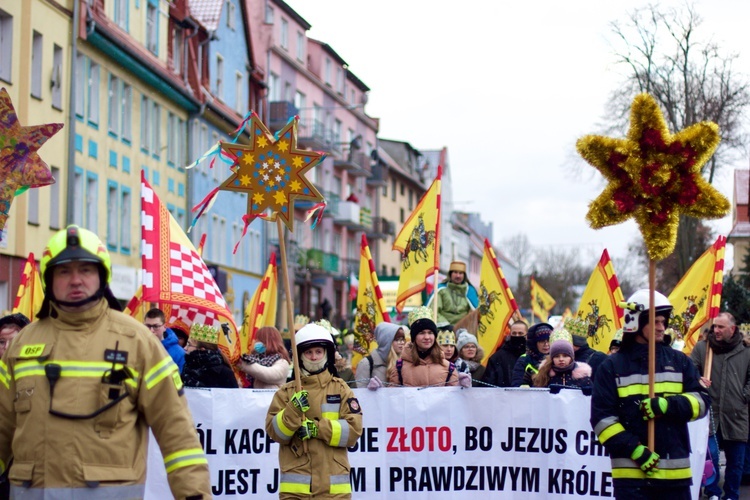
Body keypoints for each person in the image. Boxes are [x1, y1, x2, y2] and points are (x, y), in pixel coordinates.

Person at [0, 225, 210, 497]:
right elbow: (3, 427)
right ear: (48, 278)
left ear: (102, 275)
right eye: (64, 271)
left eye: (86, 270)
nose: (76, 280)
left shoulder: (138, 342)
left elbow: (177, 434)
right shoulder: (22, 344)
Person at [591, 289, 708, 499]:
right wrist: (635, 450)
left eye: (663, 322)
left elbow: (702, 402)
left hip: (675, 477)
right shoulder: (611, 366)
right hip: (631, 478)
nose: (661, 327)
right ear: (635, 322)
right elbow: (602, 420)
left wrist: (667, 406)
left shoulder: (679, 361)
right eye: (655, 322)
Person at [265, 323, 363, 498]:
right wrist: (292, 410)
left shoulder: (340, 390)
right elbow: (276, 433)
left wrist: (318, 429)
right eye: (309, 352)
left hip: (333, 492)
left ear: (326, 354)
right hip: (297, 492)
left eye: (318, 352)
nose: (314, 357)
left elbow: (354, 430)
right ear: (300, 356)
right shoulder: (286, 393)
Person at [690, 312, 750, 500]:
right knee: (711, 458)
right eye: (714, 326)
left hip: (736, 415)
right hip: (710, 414)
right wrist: (698, 380)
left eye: (721, 327)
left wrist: (743, 396)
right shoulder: (702, 348)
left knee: (736, 462)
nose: (716, 330)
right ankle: (713, 492)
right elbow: (690, 372)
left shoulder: (746, 351)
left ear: (732, 329)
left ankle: (732, 495)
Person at [387, 306, 461, 387]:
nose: (427, 337)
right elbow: (393, 396)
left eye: (430, 333)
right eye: (421, 333)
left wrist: (463, 387)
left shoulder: (449, 368)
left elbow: (454, 397)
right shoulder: (399, 367)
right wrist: (377, 390)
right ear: (414, 337)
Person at [182, 323, 239, 388]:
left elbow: (234, 397)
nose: (185, 348)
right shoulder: (187, 367)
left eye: (189, 344)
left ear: (202, 349)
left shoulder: (224, 373)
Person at [355, 322, 406, 389]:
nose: (402, 343)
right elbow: (359, 393)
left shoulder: (403, 362)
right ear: (386, 341)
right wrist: (369, 389)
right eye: (397, 340)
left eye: (402, 339)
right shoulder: (366, 364)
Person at [427, 261, 479, 325]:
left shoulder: (469, 291)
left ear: (464, 275)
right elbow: (433, 311)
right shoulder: (440, 290)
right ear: (450, 274)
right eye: (455, 272)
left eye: (460, 273)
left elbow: (476, 313)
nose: (458, 276)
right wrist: (446, 325)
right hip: (443, 328)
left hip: (464, 329)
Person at [483, 320, 528, 387]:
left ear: (527, 335)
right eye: (514, 333)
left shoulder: (532, 356)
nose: (517, 336)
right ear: (510, 334)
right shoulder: (497, 357)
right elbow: (488, 383)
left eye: (520, 333)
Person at [144, 308, 186, 373]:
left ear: (164, 327)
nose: (151, 330)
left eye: (156, 326)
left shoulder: (179, 353)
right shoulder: (138, 347)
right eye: (148, 326)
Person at [511, 322, 552, 387]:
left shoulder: (556, 359)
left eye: (548, 340)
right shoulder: (524, 360)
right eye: (541, 341)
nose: (546, 344)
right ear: (534, 343)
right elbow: (516, 385)